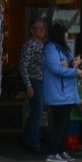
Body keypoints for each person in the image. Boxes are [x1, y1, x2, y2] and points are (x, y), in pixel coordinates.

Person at [40, 22, 82, 162]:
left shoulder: (63, 49)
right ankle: (53, 152)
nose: (67, 36)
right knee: (60, 123)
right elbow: (55, 68)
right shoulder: (51, 48)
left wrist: (74, 64)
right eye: (65, 34)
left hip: (66, 93)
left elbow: (66, 64)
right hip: (58, 92)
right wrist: (74, 72)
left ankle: (60, 150)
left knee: (65, 123)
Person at [18, 17, 48, 154]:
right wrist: (28, 85)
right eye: (39, 28)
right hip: (34, 80)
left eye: (43, 28)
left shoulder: (44, 45)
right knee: (37, 111)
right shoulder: (29, 45)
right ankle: (34, 141)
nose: (42, 30)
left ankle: (27, 137)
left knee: (37, 111)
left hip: (43, 80)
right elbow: (23, 66)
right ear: (32, 30)